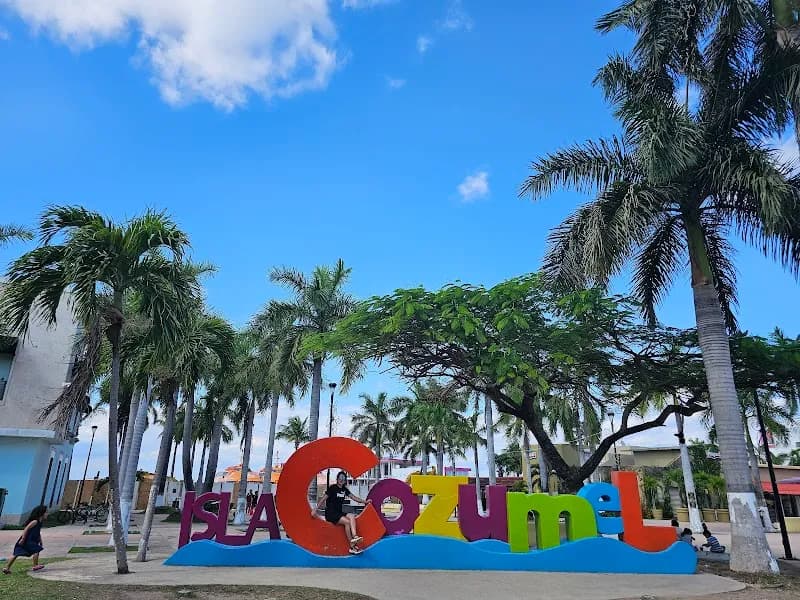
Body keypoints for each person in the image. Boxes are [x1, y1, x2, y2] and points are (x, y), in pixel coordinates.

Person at [315, 470, 372, 554]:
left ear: (345, 480)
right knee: (347, 522)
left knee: (351, 516)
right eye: (340, 478)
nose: (342, 480)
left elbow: (354, 497)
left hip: (339, 513)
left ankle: (355, 536)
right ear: (337, 479)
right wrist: (315, 510)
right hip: (331, 514)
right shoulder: (332, 488)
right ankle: (352, 546)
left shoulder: (344, 490)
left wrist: (365, 502)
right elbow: (323, 499)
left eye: (344, 478)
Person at [3, 505, 47, 574]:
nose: (47, 514)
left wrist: (40, 540)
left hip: (30, 540)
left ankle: (7, 568)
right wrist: (23, 539)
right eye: (46, 512)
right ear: (41, 513)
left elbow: (38, 532)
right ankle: (35, 565)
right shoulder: (35, 521)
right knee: (36, 550)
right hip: (27, 540)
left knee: (16, 553)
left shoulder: (40, 523)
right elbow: (26, 529)